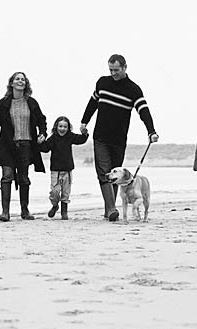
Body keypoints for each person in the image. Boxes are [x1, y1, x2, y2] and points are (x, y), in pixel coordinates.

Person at [80, 54, 159, 222]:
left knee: (115, 177)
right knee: (103, 172)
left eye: (116, 70)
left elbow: (143, 111)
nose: (113, 73)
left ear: (124, 68)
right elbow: (92, 103)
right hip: (100, 136)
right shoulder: (102, 82)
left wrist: (151, 131)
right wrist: (84, 122)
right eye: (110, 70)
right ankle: (111, 209)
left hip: (119, 140)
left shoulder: (133, 90)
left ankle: (110, 209)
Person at [0, 72, 47, 222]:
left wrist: (43, 133)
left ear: (26, 83)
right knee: (7, 176)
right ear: (11, 83)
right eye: (17, 79)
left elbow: (41, 120)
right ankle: (5, 212)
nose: (20, 81)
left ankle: (24, 210)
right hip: (7, 145)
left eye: (23, 79)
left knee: (23, 178)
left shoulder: (32, 102)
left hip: (26, 145)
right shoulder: (4, 103)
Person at [39, 116, 89, 220]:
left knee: (66, 193)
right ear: (56, 127)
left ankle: (64, 213)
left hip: (68, 170)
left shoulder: (70, 137)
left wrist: (85, 134)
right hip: (55, 171)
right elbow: (45, 148)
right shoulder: (53, 138)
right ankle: (55, 205)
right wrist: (40, 143)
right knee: (54, 192)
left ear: (68, 128)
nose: (62, 129)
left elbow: (81, 140)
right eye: (60, 126)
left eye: (65, 127)